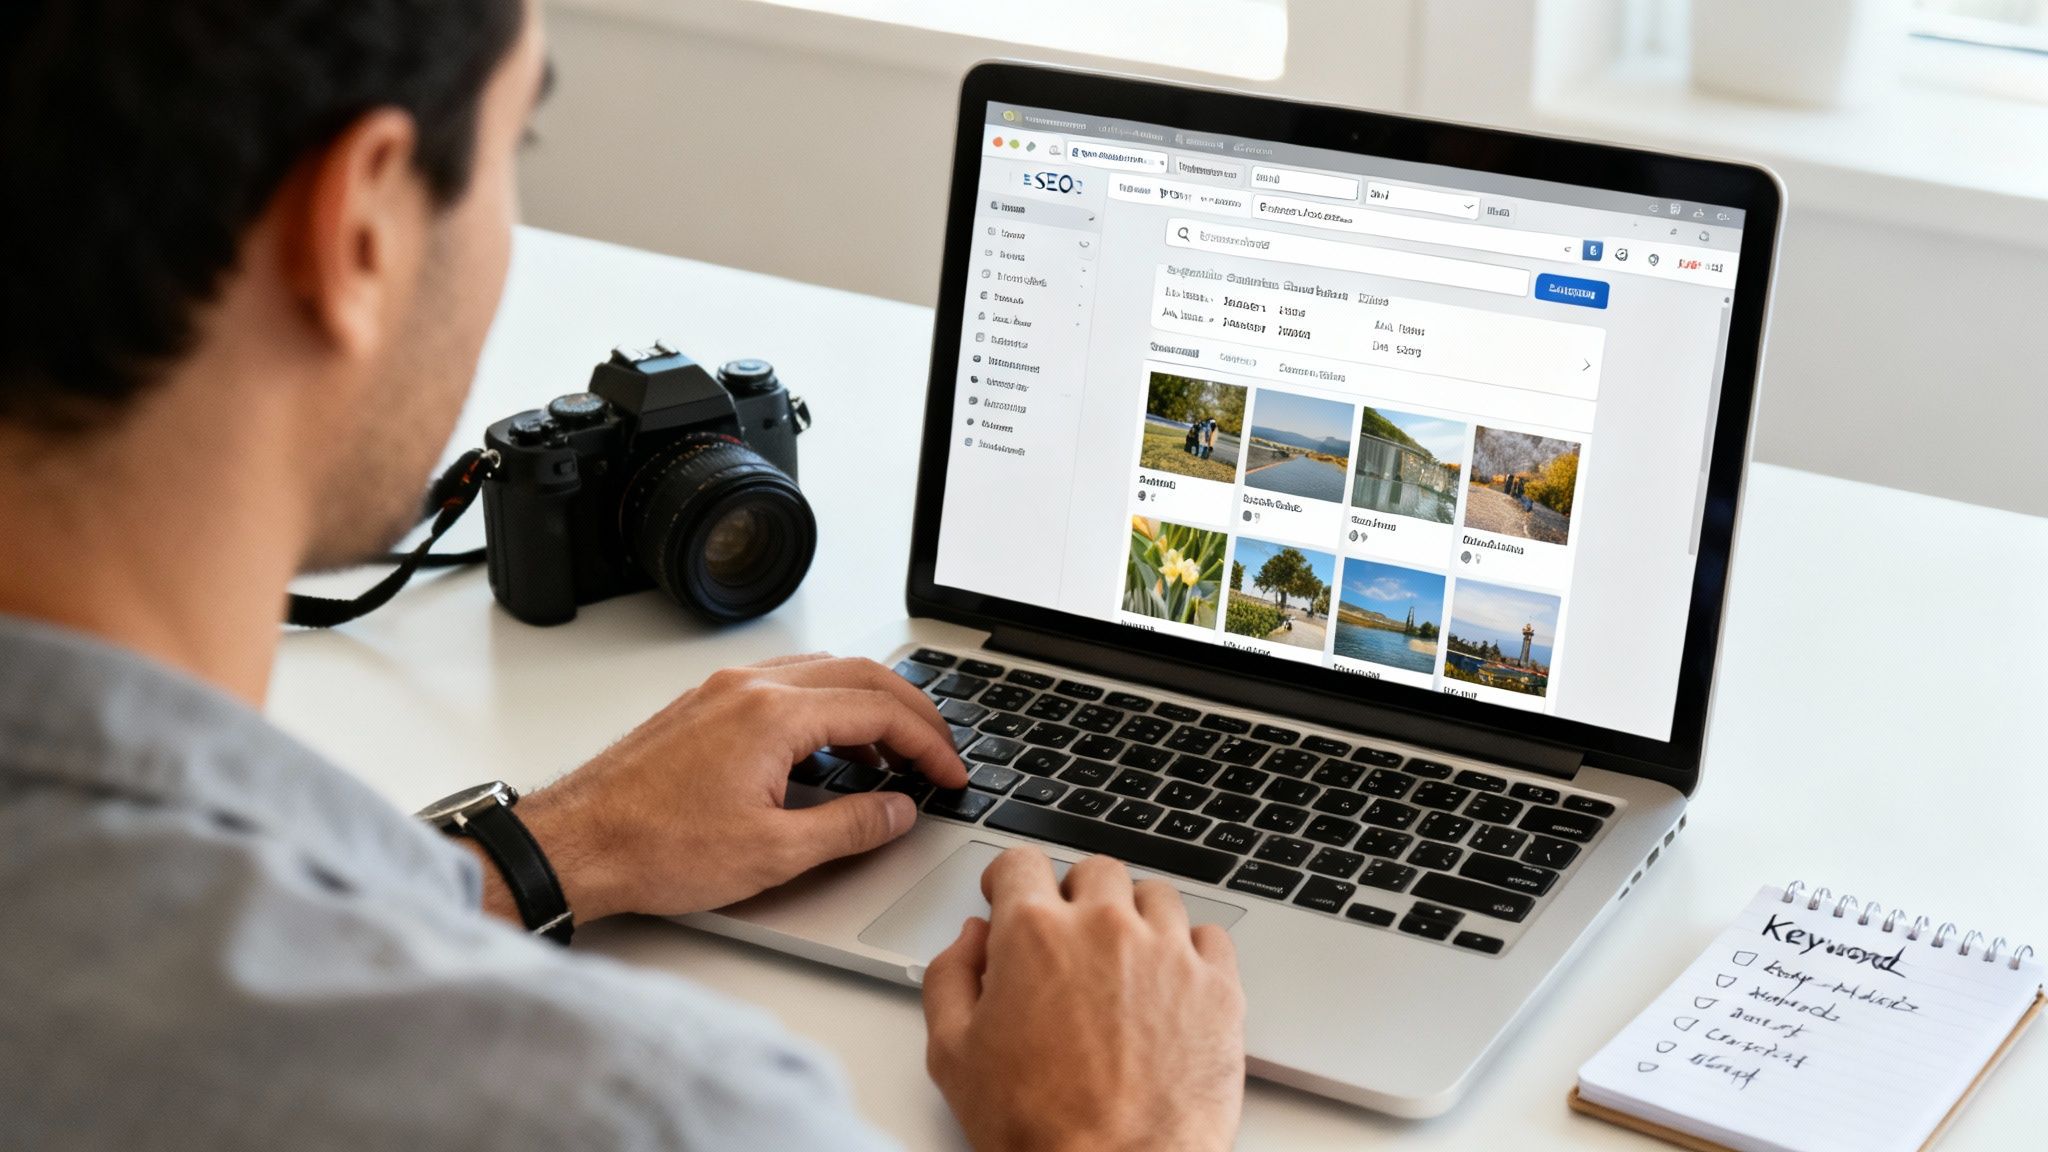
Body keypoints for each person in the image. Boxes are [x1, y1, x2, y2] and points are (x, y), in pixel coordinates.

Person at [0, 3, 1247, 1150]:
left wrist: (542, 854)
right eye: (515, 146)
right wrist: (1114, 1133)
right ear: (358, 229)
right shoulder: (645, 1109)